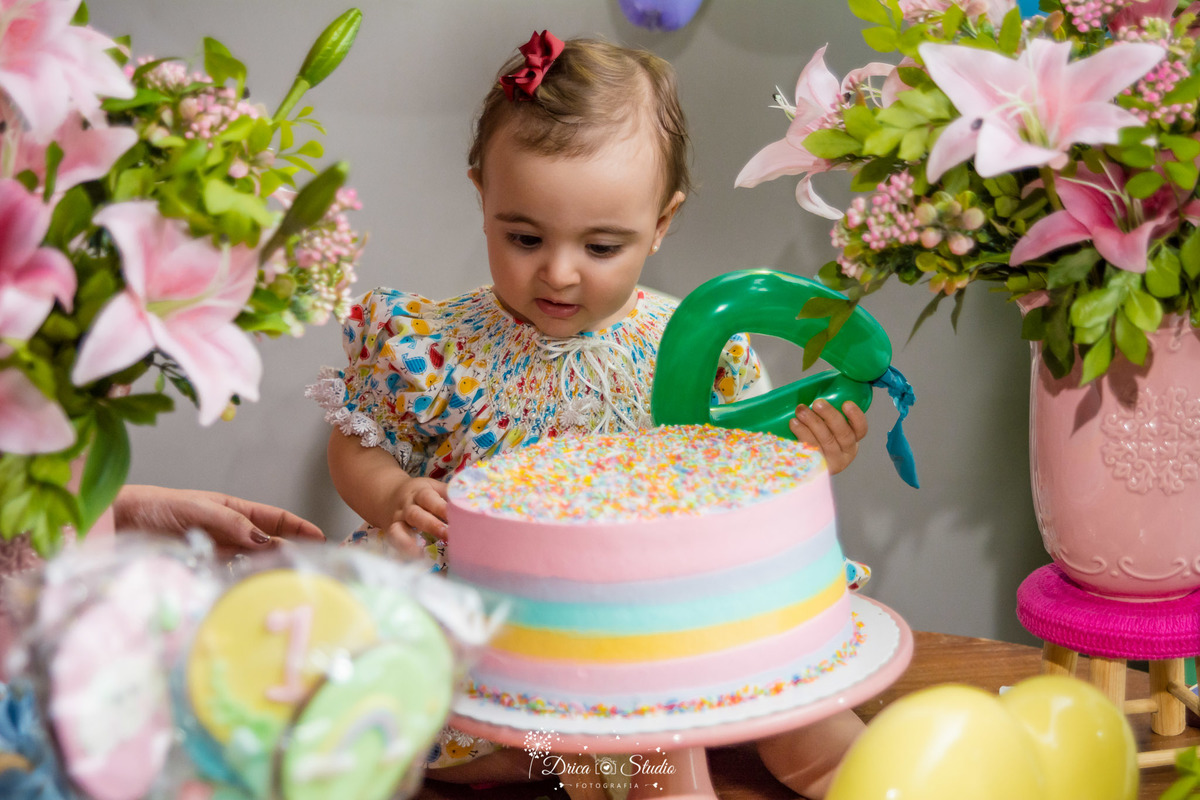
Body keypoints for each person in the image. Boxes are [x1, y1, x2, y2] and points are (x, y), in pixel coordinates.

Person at [309, 31, 868, 800]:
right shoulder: (434, 347)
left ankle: (867, 775)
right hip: (507, 646)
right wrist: (391, 494)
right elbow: (358, 443)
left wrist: (808, 457)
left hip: (667, 626)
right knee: (548, 745)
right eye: (525, 236)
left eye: (603, 245)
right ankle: (599, 762)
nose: (560, 272)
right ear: (482, 196)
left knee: (799, 706)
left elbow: (744, 479)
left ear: (662, 223)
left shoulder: (691, 347)